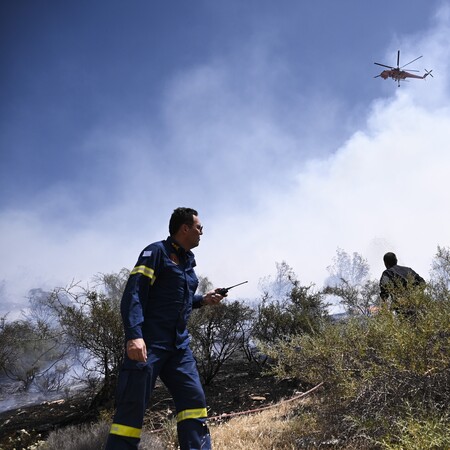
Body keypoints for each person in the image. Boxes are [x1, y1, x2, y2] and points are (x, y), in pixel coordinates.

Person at [105, 207, 225, 450]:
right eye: (199, 227)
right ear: (185, 228)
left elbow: (177, 301)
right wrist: (134, 336)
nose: (202, 232)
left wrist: (203, 299)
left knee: (194, 402)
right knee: (131, 407)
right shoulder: (155, 253)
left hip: (179, 348)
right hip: (150, 344)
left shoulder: (187, 262)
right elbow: (135, 293)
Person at [379, 252, 425, 317]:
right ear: (396, 261)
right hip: (418, 306)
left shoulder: (387, 273)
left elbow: (384, 290)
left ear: (385, 263)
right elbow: (422, 283)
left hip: (403, 308)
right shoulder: (408, 270)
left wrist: (383, 310)